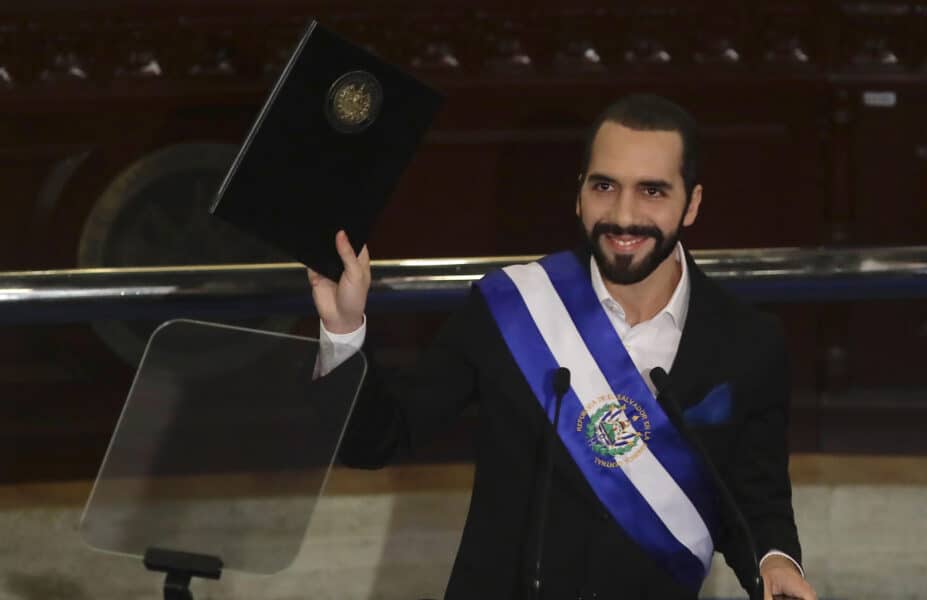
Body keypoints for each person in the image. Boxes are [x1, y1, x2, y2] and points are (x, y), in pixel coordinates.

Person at [308, 94, 816, 600]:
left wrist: (775, 559)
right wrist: (344, 327)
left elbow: (758, 500)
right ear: (579, 194)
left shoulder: (748, 342)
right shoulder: (510, 308)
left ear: (693, 203)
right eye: (605, 186)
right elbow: (376, 441)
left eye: (652, 192)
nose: (623, 215)